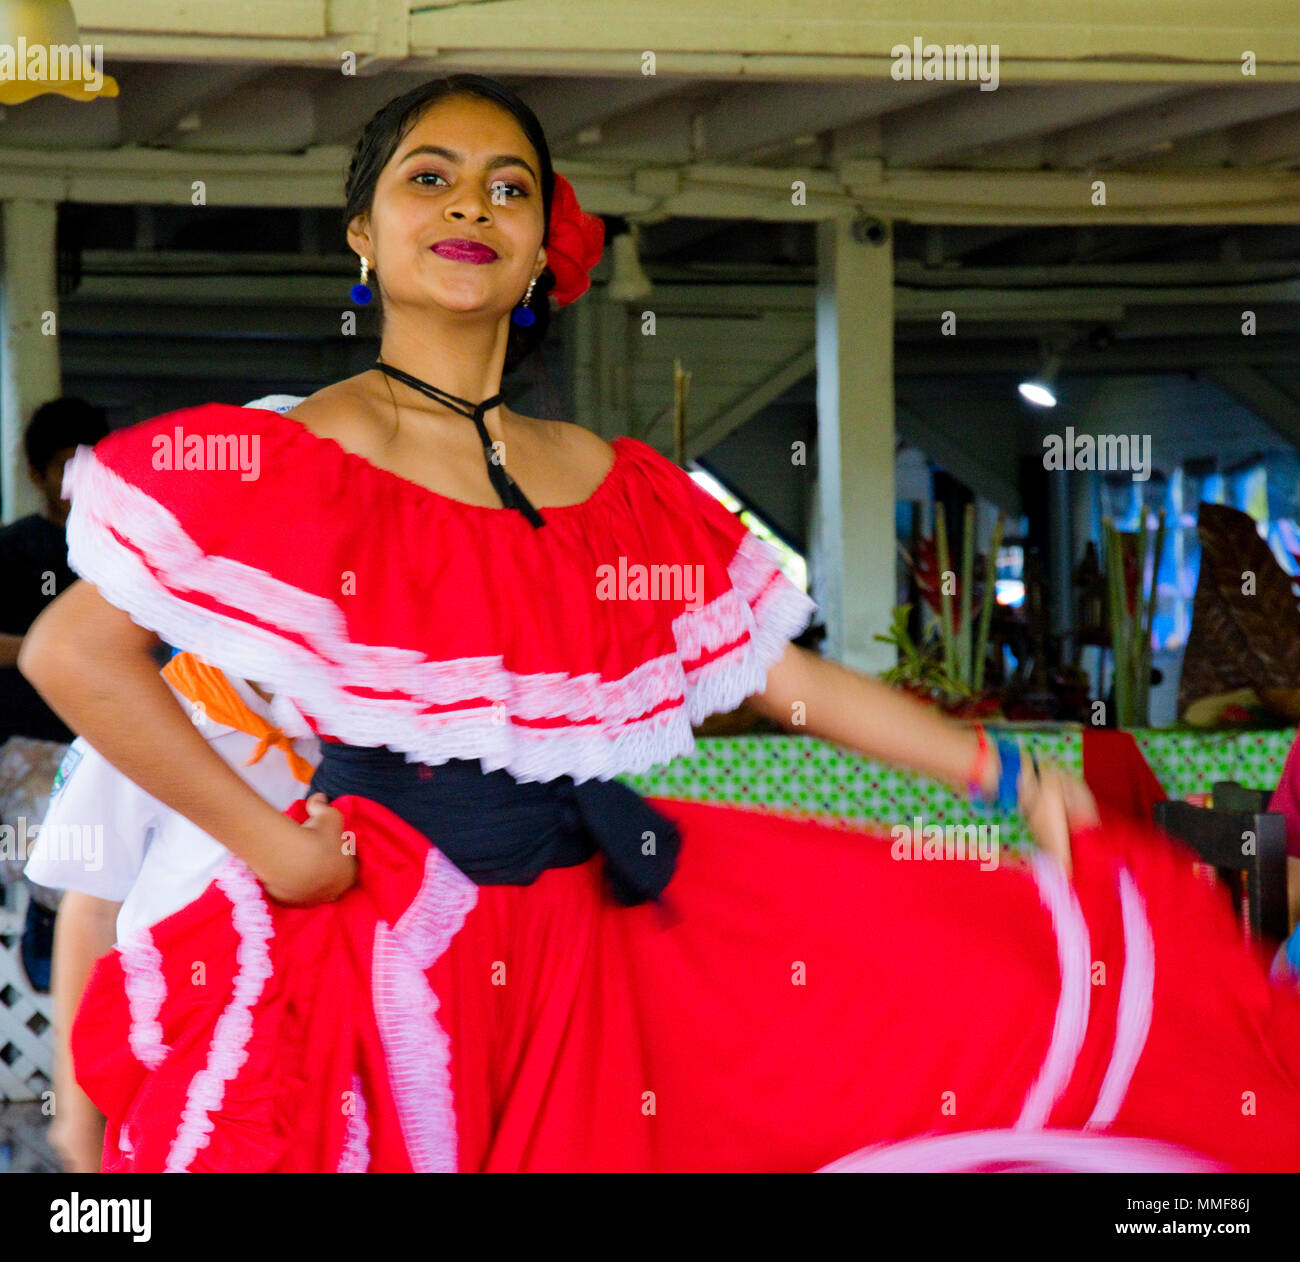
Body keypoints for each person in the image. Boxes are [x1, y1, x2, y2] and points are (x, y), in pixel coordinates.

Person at [19, 74, 1300, 1173]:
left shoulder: (605, 480)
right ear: (365, 232)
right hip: (380, 941)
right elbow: (76, 651)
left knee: (941, 987)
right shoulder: (304, 450)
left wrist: (1007, 773)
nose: (469, 206)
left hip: (585, 942)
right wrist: (273, 847)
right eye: (430, 178)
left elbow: (779, 678)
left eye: (508, 188)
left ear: (539, 246)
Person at [25, 648, 320, 1172]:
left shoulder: (376, 724)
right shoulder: (140, 710)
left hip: (326, 1049)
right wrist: (76, 1111)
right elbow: (91, 909)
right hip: (181, 1056)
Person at [0, 397, 109, 993]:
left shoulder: (122, 552)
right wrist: (50, 648)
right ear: (36, 473)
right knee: (56, 839)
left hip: (114, 746)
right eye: (64, 467)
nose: (75, 483)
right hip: (28, 747)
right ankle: (50, 923)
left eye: (87, 466)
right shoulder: (13, 550)